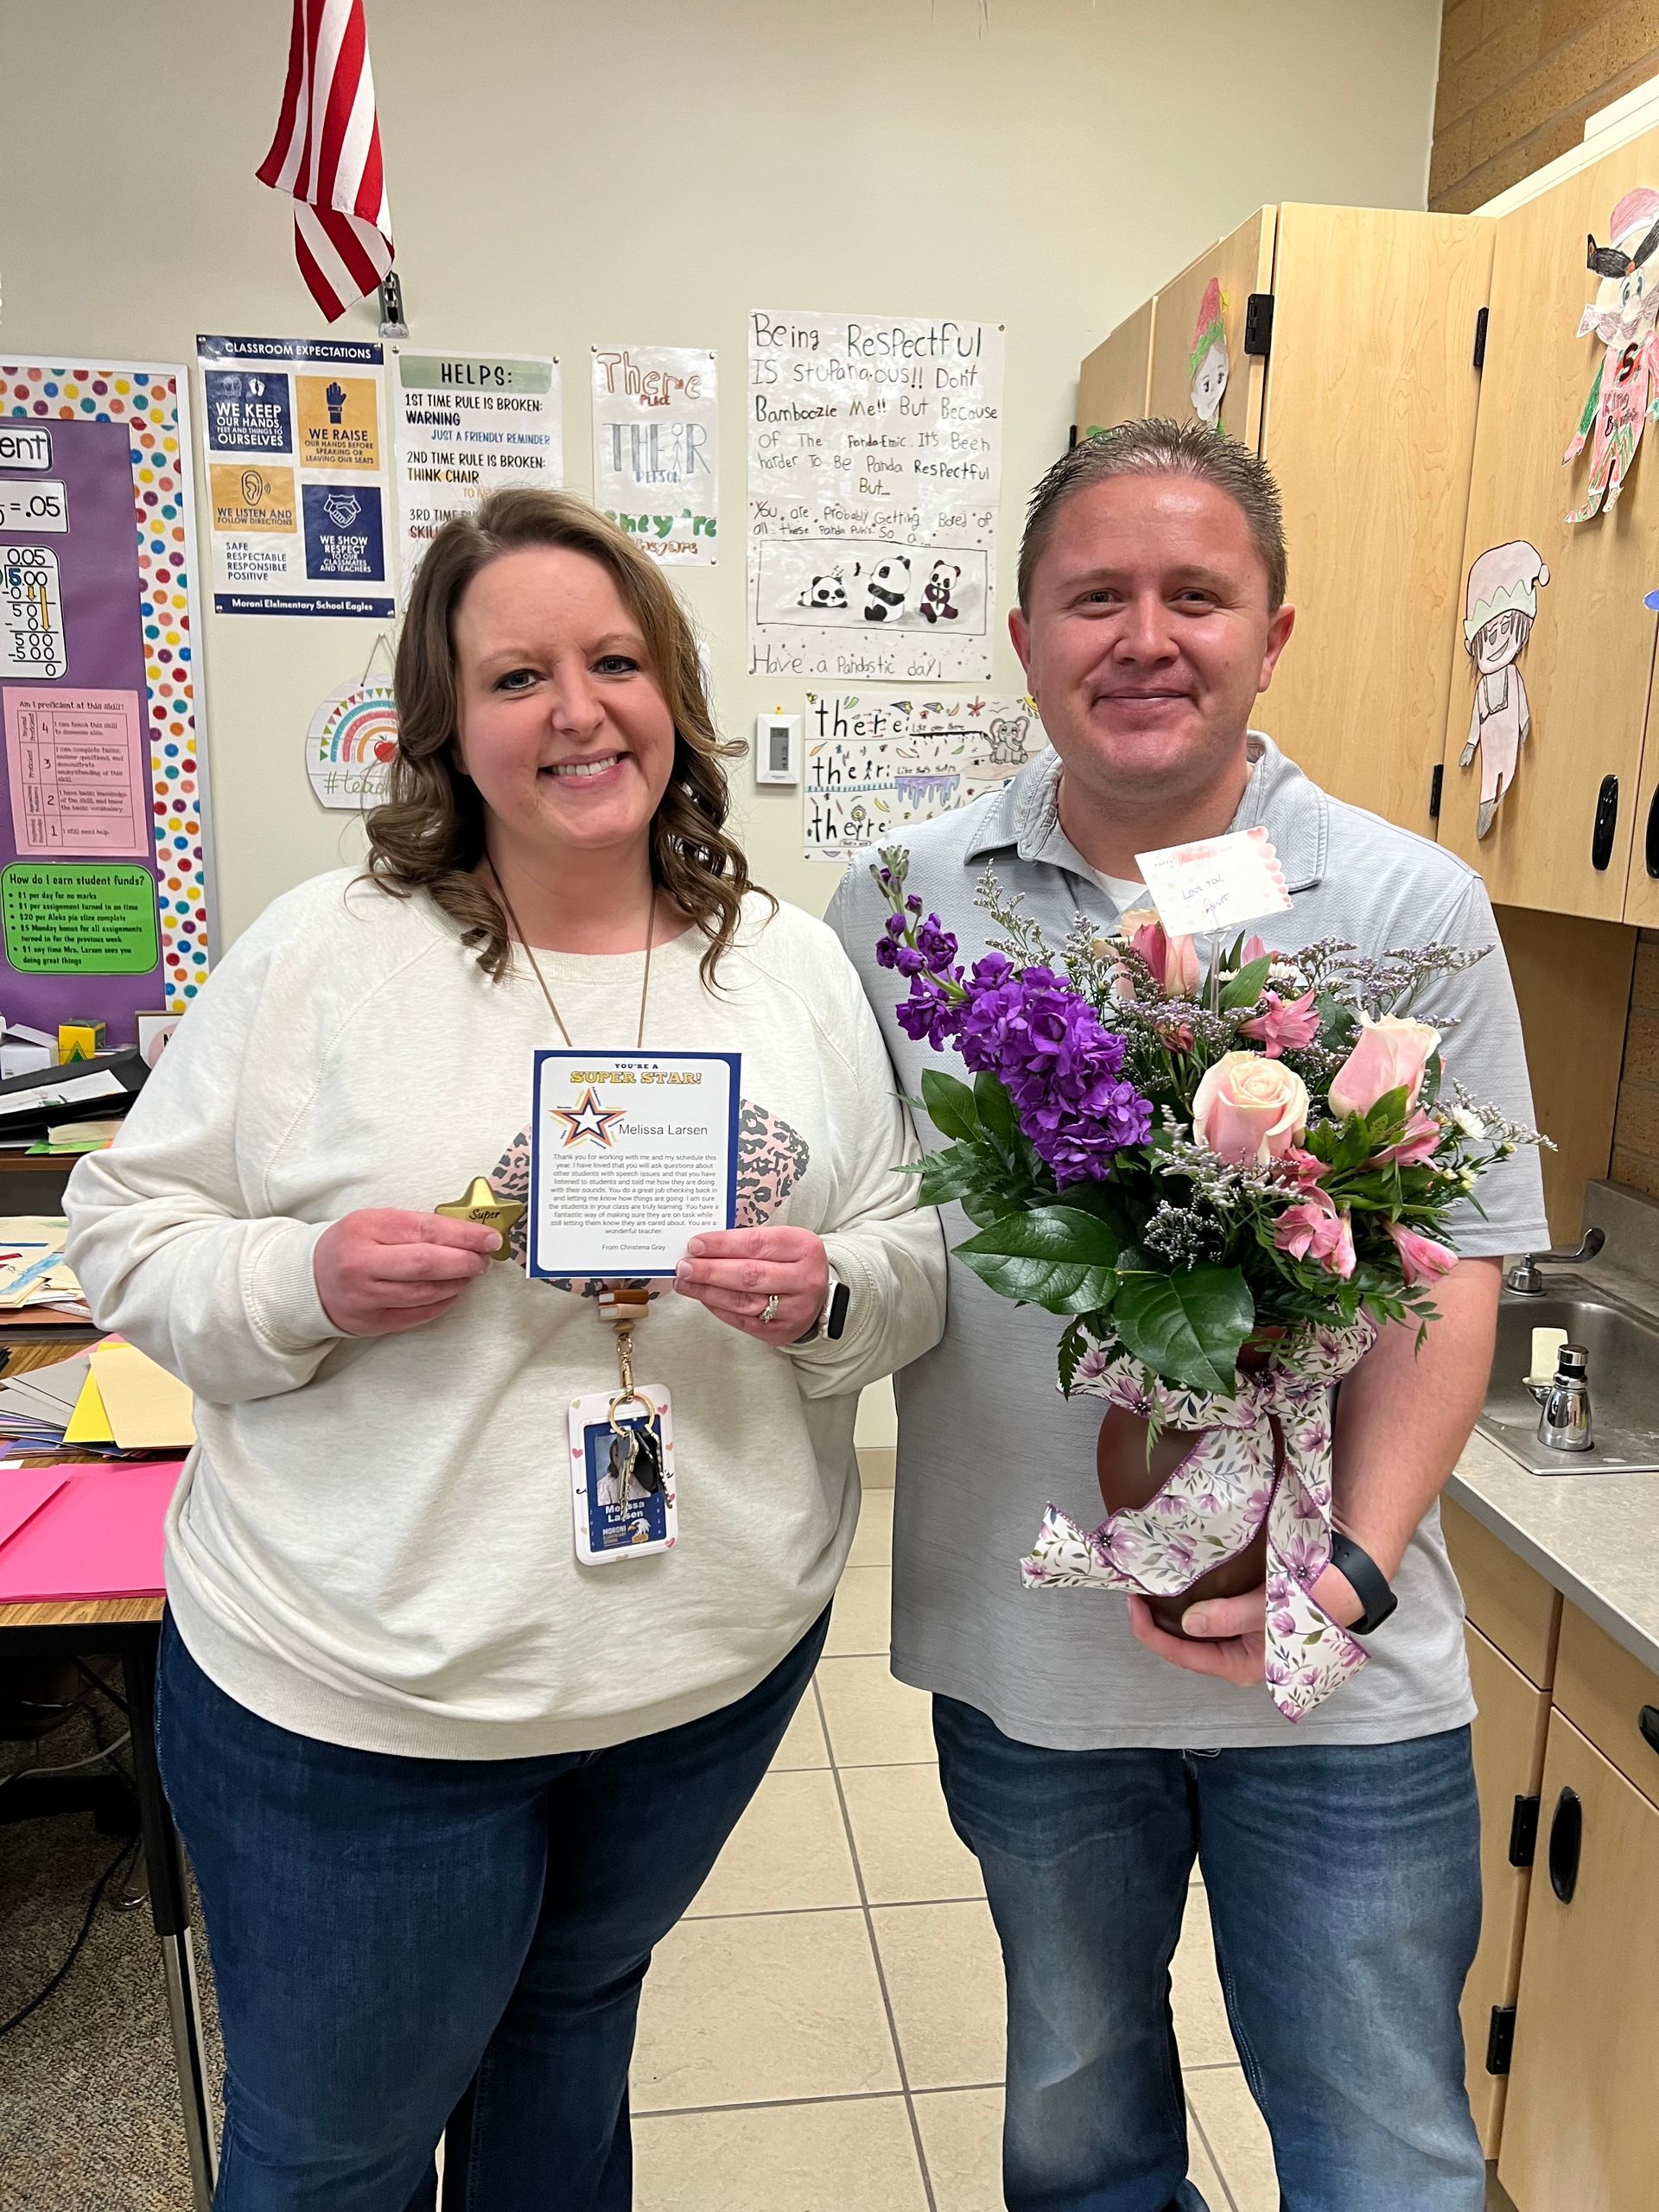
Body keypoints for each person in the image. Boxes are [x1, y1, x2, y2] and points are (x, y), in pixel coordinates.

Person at [66, 488, 944, 2212]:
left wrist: (826, 1288)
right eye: (517, 673)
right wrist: (303, 1276)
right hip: (366, 1699)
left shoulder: (782, 968)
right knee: (338, 2151)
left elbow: (909, 1258)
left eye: (615, 659)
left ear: (672, 695)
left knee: (566, 2061)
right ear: (446, 727)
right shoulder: (330, 955)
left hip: (699, 1678)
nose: (577, 707)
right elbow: (123, 1228)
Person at [830, 419, 1550, 2212]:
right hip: (1033, 1661)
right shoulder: (903, 900)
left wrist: (1353, 1569)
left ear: (1274, 631)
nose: (1144, 635)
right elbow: (856, 1222)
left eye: (1195, 593)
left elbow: (1451, 1277)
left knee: (1388, 2149)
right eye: (1095, 595)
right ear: (1023, 637)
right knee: (1077, 2131)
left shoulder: (1408, 902)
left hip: (1344, 1667)